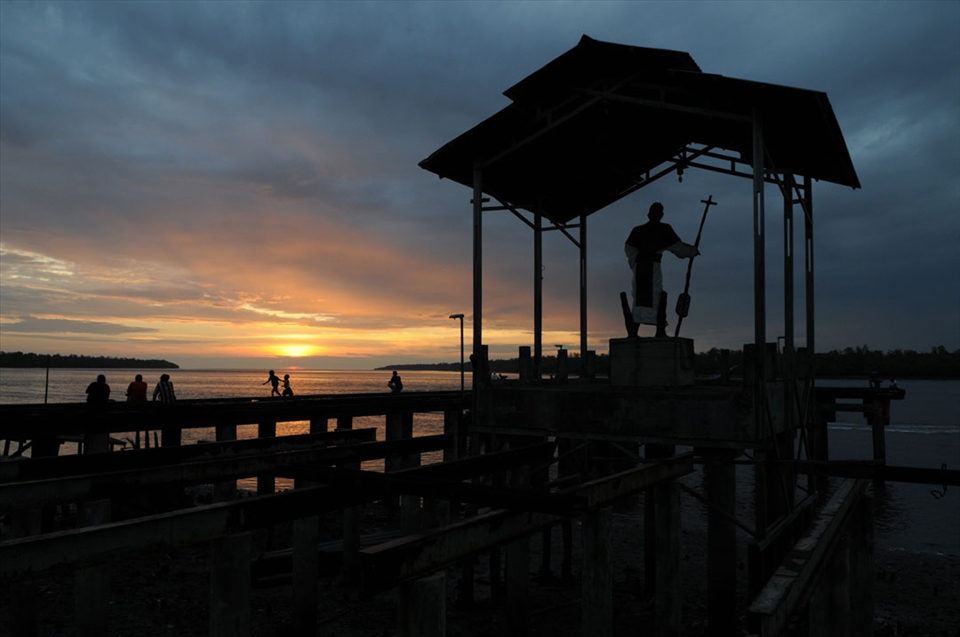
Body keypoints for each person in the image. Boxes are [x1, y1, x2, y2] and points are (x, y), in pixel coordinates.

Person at [624, 201, 699, 336]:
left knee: (642, 298)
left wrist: (636, 264)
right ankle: (658, 330)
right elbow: (679, 248)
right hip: (651, 268)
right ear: (661, 215)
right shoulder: (663, 230)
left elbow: (629, 249)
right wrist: (692, 251)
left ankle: (637, 330)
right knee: (655, 297)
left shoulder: (638, 231)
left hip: (641, 269)